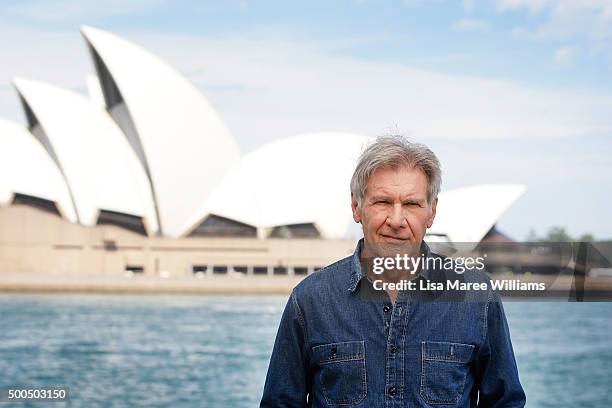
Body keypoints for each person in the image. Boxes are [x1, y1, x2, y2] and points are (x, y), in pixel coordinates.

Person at [260, 135, 526, 407]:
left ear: (431, 212)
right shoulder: (310, 300)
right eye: (383, 202)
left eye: (411, 204)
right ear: (356, 207)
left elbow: (505, 402)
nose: (397, 220)